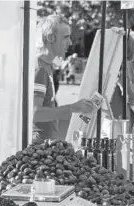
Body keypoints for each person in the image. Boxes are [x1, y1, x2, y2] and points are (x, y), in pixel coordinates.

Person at [33, 15, 94, 143]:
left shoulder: (46, 66)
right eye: (66, 37)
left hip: (44, 145)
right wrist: (72, 108)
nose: (70, 42)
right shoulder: (40, 69)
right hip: (39, 148)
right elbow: (35, 113)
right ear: (50, 38)